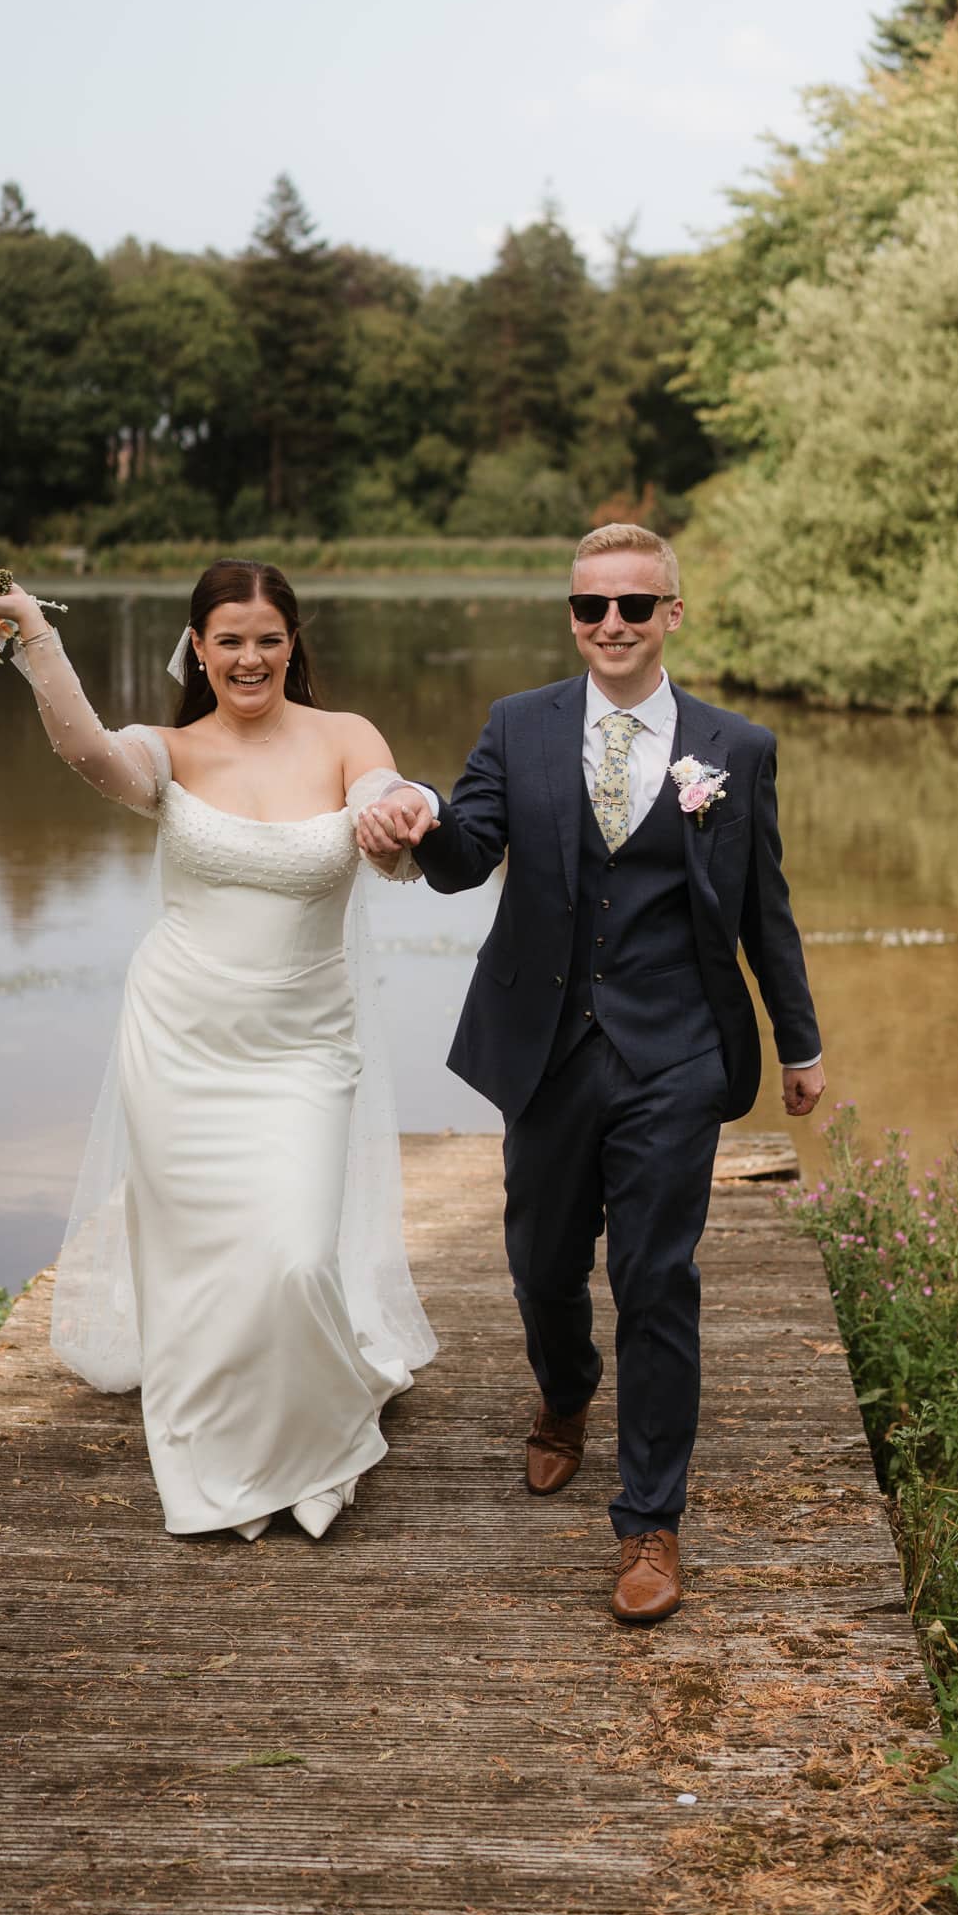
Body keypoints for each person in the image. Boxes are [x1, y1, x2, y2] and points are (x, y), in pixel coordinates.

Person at [356, 524, 823, 1625]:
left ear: (671, 613)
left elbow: (764, 909)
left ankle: (650, 1521)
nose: (608, 624)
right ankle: (565, 1391)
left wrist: (797, 1043)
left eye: (630, 604)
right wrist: (421, 814)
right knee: (540, 1260)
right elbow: (467, 850)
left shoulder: (733, 747)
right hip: (549, 1045)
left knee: (657, 1279)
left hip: (677, 1051)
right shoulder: (518, 727)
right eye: (587, 607)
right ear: (570, 617)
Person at [0, 554, 434, 1543]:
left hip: (303, 1045)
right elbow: (85, 751)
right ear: (198, 649)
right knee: (205, 1261)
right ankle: (226, 1441)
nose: (248, 657)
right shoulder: (167, 748)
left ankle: (310, 1435)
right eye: (229, 640)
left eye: (267, 638)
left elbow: (387, 808)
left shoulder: (344, 738)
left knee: (295, 1255)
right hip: (179, 1040)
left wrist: (401, 811)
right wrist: (30, 628)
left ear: (292, 645)